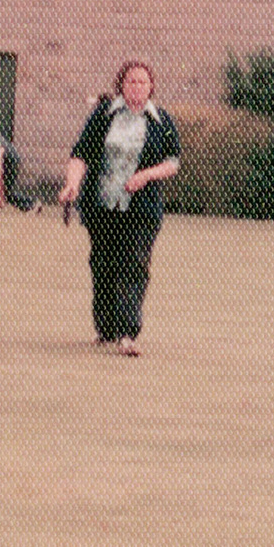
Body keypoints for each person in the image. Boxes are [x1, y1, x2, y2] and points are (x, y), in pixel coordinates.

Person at [57, 61, 181, 355]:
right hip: (103, 206)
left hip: (141, 210)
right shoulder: (102, 115)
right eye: (131, 82)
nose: (137, 87)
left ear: (151, 87)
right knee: (103, 266)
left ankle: (127, 334)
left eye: (142, 82)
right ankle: (106, 329)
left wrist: (146, 174)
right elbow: (80, 154)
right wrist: (72, 184)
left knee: (134, 266)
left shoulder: (161, 121)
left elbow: (173, 162)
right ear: (121, 85)